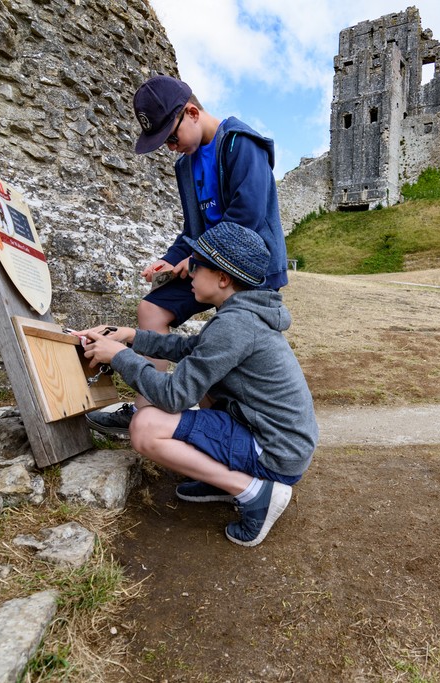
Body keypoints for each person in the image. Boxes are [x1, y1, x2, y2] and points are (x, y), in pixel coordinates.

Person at [73, 223, 317, 547]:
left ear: (223, 278)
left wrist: (119, 356)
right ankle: (225, 480)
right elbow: (190, 349)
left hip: (275, 450)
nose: (188, 273)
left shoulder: (236, 325)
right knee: (203, 385)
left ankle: (256, 492)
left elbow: (174, 396)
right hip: (279, 438)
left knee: (145, 427)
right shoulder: (241, 314)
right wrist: (130, 336)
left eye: (196, 264)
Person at [86, 74, 288, 437]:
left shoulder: (241, 144)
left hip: (251, 272)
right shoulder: (186, 165)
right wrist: (172, 258)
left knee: (228, 350)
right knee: (151, 308)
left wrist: (194, 259)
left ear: (192, 112)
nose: (170, 148)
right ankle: (145, 409)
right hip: (206, 264)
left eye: (171, 137)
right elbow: (191, 230)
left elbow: (246, 217)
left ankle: (238, 434)